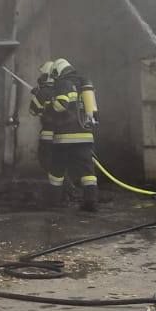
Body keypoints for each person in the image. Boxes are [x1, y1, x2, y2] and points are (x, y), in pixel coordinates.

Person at [38, 58, 100, 212]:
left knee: (56, 170)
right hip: (85, 136)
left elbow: (60, 105)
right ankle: (90, 202)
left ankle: (54, 201)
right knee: (88, 172)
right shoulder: (83, 84)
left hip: (65, 137)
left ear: (58, 71)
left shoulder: (64, 83)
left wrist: (49, 105)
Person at [26, 60, 59, 194]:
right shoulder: (61, 89)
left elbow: (33, 111)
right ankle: (64, 190)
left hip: (47, 136)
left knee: (47, 162)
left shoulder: (42, 92)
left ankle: (57, 191)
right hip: (62, 135)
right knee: (60, 163)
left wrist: (37, 95)